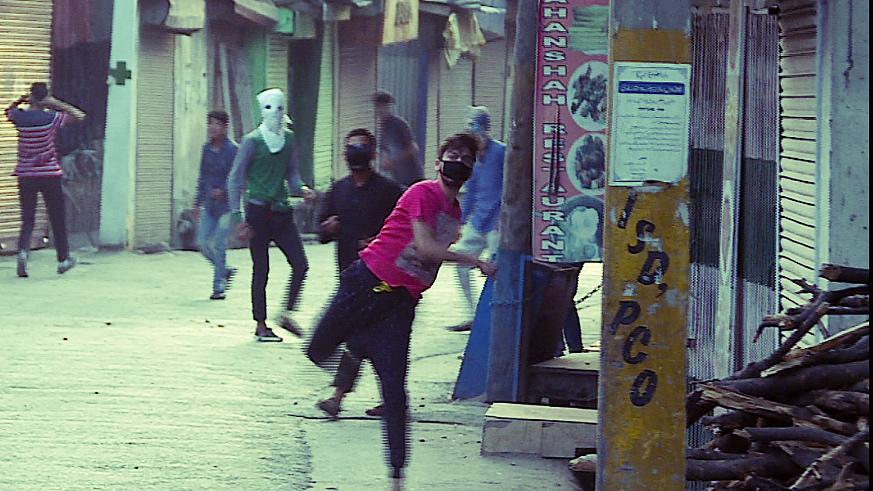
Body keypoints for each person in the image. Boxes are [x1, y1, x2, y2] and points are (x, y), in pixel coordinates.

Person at [306, 133, 496, 490]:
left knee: (394, 393)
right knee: (316, 351)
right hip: (363, 284)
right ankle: (358, 344)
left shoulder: (454, 212)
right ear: (439, 163)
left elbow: (426, 265)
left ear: (471, 170)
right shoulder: (422, 192)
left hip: (398, 305)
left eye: (466, 159)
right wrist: (474, 260)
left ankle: (396, 478)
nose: (459, 162)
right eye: (452, 155)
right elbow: (425, 250)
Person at [315, 128, 404, 418]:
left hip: (383, 279)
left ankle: (338, 397)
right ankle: (391, 400)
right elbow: (321, 231)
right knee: (368, 338)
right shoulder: (338, 190)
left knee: (361, 336)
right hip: (350, 278)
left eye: (362, 147)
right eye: (351, 148)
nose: (356, 153)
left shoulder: (389, 191)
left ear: (373, 154)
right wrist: (327, 228)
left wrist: (379, 240)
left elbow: (405, 230)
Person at [227, 88, 316, 342]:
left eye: (279, 108)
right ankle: (261, 324)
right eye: (270, 108)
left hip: (282, 210)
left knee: (300, 264)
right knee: (261, 268)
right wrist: (237, 217)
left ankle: (286, 312)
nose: (275, 113)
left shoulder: (289, 139)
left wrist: (303, 189)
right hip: (257, 211)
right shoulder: (251, 142)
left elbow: (292, 173)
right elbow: (235, 179)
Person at [6, 82, 85, 278]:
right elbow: (79, 115)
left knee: (28, 218)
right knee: (57, 217)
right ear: (46, 97)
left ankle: (23, 253)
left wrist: (21, 100)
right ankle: (63, 260)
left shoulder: (20, 118)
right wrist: (55, 103)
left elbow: (8, 111)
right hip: (50, 174)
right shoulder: (51, 118)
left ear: (31, 96)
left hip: (26, 175)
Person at [447, 106, 506, 332]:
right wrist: (460, 221)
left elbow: (512, 184)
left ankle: (494, 314)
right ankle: (472, 314)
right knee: (460, 262)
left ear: (485, 130)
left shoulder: (501, 152)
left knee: (495, 268)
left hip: (497, 222)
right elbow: (470, 190)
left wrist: (505, 214)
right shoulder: (469, 156)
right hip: (478, 221)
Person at [194, 110, 238, 300]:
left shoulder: (233, 150)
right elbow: (202, 177)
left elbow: (237, 178)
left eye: (217, 124)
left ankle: (218, 287)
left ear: (225, 127)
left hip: (227, 206)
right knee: (202, 242)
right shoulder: (206, 149)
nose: (213, 128)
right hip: (210, 205)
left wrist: (225, 192)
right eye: (210, 123)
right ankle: (224, 270)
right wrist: (197, 202)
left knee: (220, 243)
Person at [373, 90, 423, 188]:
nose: (381, 109)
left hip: (412, 177)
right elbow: (386, 153)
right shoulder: (382, 128)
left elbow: (413, 148)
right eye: (379, 106)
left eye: (385, 105)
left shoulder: (398, 124)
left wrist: (394, 161)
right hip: (397, 178)